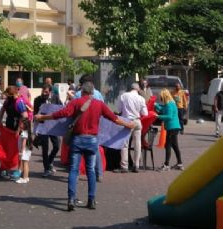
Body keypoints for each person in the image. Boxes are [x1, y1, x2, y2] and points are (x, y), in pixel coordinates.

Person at [36, 82, 136, 212]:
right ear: (92, 93)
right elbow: (114, 118)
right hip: (92, 141)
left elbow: (62, 113)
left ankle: (71, 199)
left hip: (77, 139)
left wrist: (43, 116)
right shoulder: (99, 104)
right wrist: (127, 124)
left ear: (82, 91)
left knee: (73, 170)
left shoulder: (76, 102)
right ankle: (91, 200)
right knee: (91, 171)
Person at [0, 86, 30, 179]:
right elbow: (3, 109)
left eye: (9, 95)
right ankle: (4, 167)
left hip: (17, 130)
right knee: (6, 149)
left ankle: (19, 170)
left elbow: (25, 116)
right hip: (8, 128)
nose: (7, 96)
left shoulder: (19, 102)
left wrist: (19, 129)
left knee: (18, 151)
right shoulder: (8, 101)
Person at [117, 83, 148, 173]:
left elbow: (119, 110)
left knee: (125, 144)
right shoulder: (141, 98)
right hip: (137, 121)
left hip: (127, 121)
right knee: (137, 143)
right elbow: (145, 113)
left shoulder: (123, 96)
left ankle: (124, 166)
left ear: (130, 88)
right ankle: (136, 165)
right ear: (138, 89)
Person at [155, 89, 184, 171]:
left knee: (168, 146)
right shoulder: (170, 104)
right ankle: (180, 163)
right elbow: (162, 109)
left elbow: (169, 116)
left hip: (172, 128)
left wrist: (158, 116)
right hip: (173, 127)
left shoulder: (170, 105)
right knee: (175, 146)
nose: (160, 99)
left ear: (164, 96)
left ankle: (166, 165)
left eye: (161, 97)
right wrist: (156, 105)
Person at [34, 85, 60, 177]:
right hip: (43, 126)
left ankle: (49, 162)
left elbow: (60, 108)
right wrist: (36, 129)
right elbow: (35, 114)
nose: (44, 93)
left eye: (46, 92)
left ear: (50, 92)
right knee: (45, 148)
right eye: (43, 91)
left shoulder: (55, 97)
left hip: (53, 126)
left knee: (56, 146)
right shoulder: (37, 100)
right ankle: (46, 169)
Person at [15, 118, 32, 184]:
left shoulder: (24, 133)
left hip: (24, 150)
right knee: (26, 163)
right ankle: (26, 177)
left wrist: (21, 152)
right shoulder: (26, 132)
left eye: (21, 123)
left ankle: (24, 178)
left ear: (25, 125)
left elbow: (23, 143)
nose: (20, 124)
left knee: (25, 163)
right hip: (26, 150)